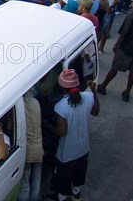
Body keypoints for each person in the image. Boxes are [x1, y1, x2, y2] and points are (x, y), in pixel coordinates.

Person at [45, 69, 99, 201]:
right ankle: (75, 193)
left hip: (67, 151)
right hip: (84, 146)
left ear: (63, 88)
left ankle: (61, 197)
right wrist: (94, 91)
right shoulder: (88, 97)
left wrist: (46, 125)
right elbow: (96, 112)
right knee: (79, 173)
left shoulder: (61, 106)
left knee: (63, 175)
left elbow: (62, 132)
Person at [96, 0, 133, 102]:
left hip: (126, 49)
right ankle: (127, 93)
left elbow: (123, 35)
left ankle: (103, 86)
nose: (132, 4)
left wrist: (116, 45)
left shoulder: (131, 17)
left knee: (115, 68)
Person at [18, 87, 43, 201]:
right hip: (39, 150)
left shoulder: (20, 107)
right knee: (36, 180)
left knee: (25, 184)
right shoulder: (35, 102)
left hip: (27, 153)